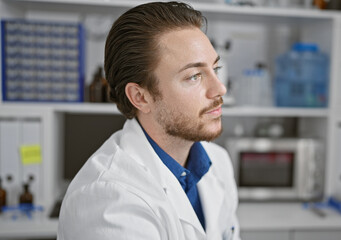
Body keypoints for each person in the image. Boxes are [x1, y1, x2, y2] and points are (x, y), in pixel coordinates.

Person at [57, 1, 240, 240]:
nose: (220, 89)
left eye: (215, 69)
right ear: (140, 97)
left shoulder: (218, 162)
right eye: (194, 76)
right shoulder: (109, 202)